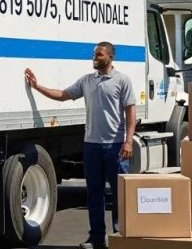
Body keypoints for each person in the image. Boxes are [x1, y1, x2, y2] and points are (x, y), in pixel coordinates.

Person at [24, 42, 136, 249]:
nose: (95, 57)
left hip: (115, 146)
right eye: (94, 54)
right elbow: (62, 95)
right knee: (94, 194)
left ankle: (120, 237)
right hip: (92, 146)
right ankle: (96, 239)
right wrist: (37, 86)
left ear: (110, 57)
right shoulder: (87, 81)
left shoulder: (122, 80)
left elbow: (130, 112)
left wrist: (128, 140)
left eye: (99, 54)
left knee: (120, 195)